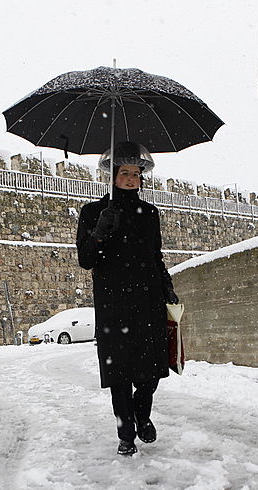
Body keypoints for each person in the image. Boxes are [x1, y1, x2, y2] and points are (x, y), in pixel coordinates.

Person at [76, 141, 179, 456]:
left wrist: (167, 286)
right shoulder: (93, 212)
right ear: (112, 175)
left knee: (151, 371)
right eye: (125, 173)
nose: (132, 179)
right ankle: (126, 434)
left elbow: (155, 256)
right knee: (119, 373)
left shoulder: (149, 213)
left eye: (136, 173)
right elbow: (86, 259)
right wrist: (100, 232)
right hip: (113, 304)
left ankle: (141, 414)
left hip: (147, 301)